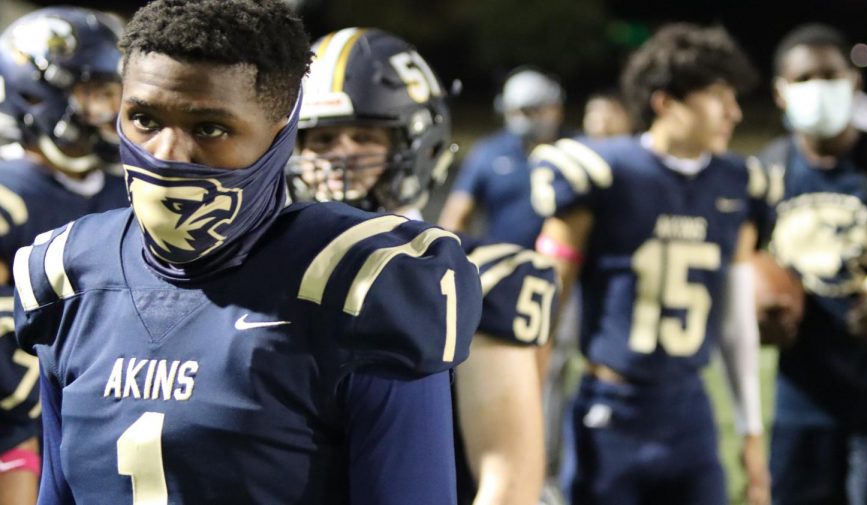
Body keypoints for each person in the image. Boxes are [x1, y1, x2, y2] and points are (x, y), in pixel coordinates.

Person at [12, 1, 482, 504]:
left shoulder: (362, 285)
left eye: (209, 128)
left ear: (282, 137)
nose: (166, 153)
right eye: (144, 118)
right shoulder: (69, 271)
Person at [288, 27, 556, 505]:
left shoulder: (483, 275)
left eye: (364, 135)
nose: (341, 154)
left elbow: (508, 483)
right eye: (322, 137)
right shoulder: (274, 265)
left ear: (418, 143)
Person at [531, 23, 770, 505]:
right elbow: (540, 312)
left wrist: (750, 436)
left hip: (690, 413)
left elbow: (735, 322)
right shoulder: (600, 173)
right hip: (611, 411)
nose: (734, 112)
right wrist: (527, 428)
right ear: (665, 101)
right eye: (719, 97)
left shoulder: (738, 183)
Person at [755, 23, 867, 505]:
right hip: (802, 397)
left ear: (853, 82)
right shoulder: (765, 171)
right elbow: (740, 258)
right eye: (803, 79)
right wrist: (758, 303)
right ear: (779, 91)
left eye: (829, 74)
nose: (817, 88)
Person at [0, 7, 128, 504]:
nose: (113, 110)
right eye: (98, 93)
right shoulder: (11, 195)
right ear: (39, 94)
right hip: (26, 424)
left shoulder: (129, 189)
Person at [438, 68, 565, 248]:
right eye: (514, 112)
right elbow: (456, 214)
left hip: (564, 266)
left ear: (554, 108)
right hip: (503, 266)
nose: (521, 119)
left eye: (530, 111)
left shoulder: (574, 149)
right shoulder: (490, 152)